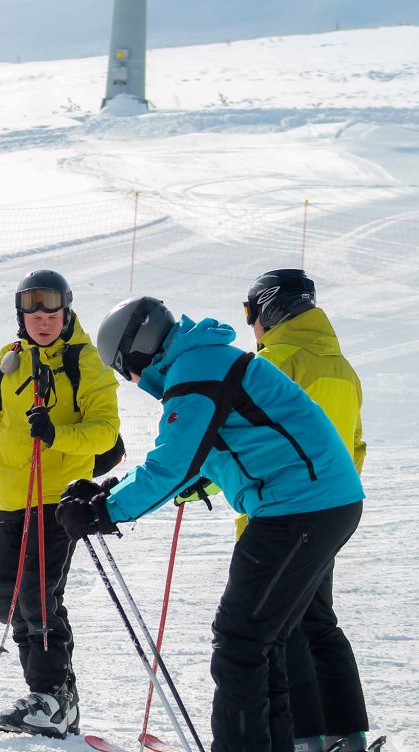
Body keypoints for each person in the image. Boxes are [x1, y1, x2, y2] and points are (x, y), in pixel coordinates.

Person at [56, 296, 364, 752]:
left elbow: (174, 464)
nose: (134, 381)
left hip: (298, 508)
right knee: (263, 641)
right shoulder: (204, 360)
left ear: (137, 353)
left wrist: (103, 512)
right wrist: (109, 492)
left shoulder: (195, 369)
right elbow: (201, 457)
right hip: (311, 504)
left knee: (241, 642)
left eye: (126, 369)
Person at [0, 270, 120, 738]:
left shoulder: (87, 362)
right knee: (10, 603)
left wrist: (57, 433)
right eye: (34, 313)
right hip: (12, 499)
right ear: (21, 315)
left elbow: (104, 431)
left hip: (58, 499)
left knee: (39, 596)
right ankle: (59, 699)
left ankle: (49, 696)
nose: (43, 322)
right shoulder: (12, 358)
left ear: (66, 312)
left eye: (52, 313)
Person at [243, 270, 368, 752]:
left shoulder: (275, 363)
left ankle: (304, 737)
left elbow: (249, 438)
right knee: (316, 618)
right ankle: (347, 733)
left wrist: (200, 482)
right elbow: (353, 445)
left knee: (280, 625)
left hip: (279, 515)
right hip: (330, 513)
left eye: (252, 314)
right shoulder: (341, 366)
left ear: (269, 309)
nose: (252, 326)